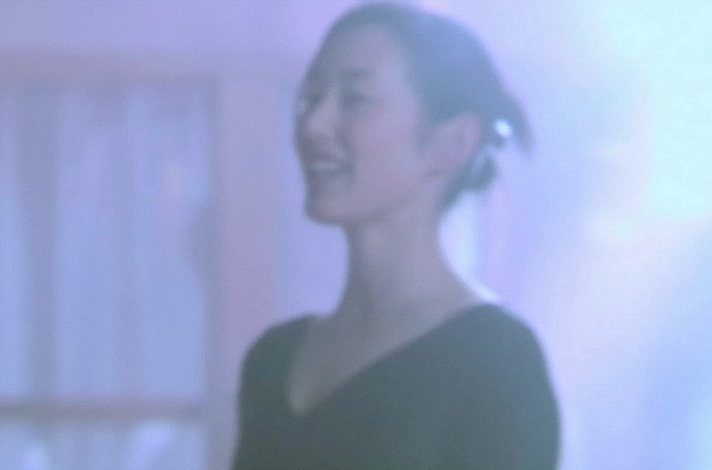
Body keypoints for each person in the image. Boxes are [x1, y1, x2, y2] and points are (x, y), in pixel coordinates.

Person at [232, 3, 559, 469]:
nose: (313, 125)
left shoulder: (495, 359)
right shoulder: (274, 358)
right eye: (311, 97)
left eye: (354, 99)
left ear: (452, 143)